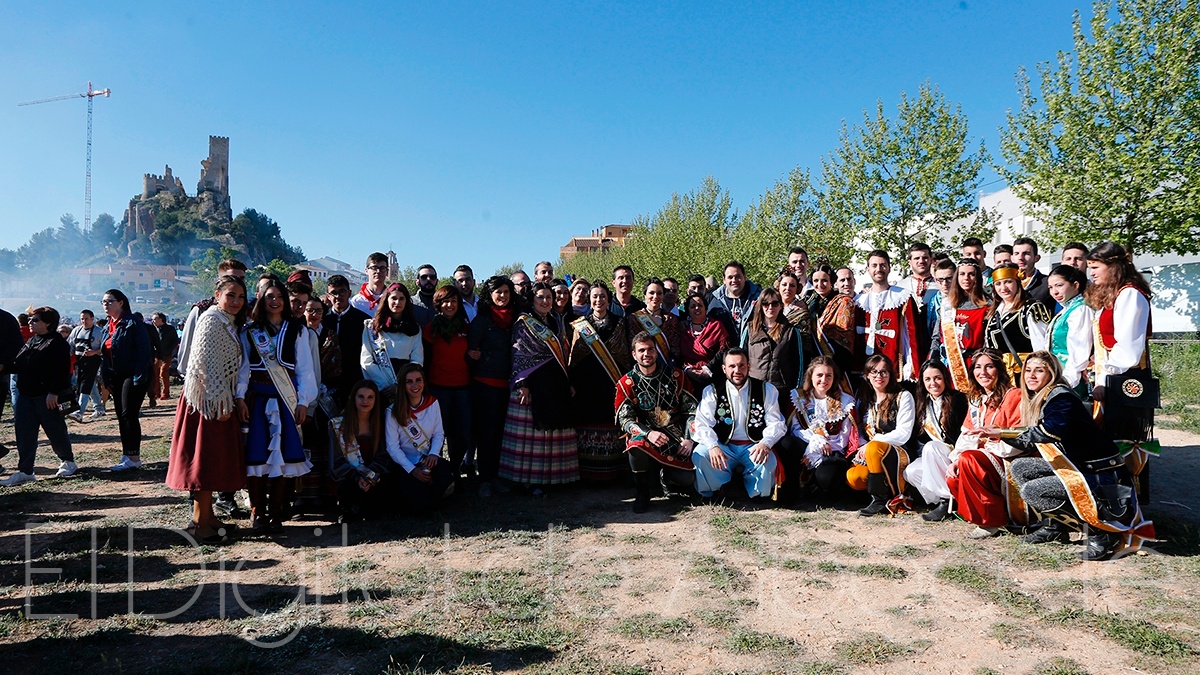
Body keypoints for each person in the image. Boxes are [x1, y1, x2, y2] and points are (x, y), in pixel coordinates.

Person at [1007, 352, 1154, 560]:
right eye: (1028, 370)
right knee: (1021, 467)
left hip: (1097, 472)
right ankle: (1055, 527)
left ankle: (1100, 532)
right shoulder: (1043, 396)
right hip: (1077, 465)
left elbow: (1050, 432)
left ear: (1052, 373)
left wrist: (1000, 432)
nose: (1031, 375)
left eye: (1039, 370)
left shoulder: (1061, 397)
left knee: (1033, 491)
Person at [164, 276, 248, 541]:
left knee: (212, 461)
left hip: (214, 402)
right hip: (207, 404)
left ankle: (208, 517)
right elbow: (202, 366)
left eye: (241, 297)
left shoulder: (227, 322)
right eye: (231, 295)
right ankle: (200, 523)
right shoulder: (212, 320)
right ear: (217, 294)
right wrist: (219, 402)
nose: (236, 302)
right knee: (204, 462)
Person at [237, 278, 318, 531]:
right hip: (257, 399)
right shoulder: (249, 331)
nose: (275, 301)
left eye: (279, 297)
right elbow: (242, 370)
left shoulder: (299, 330)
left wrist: (303, 401)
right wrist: (240, 397)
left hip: (286, 399)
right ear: (261, 299)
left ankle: (277, 513)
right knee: (257, 455)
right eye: (269, 296)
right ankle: (257, 512)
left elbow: (305, 370)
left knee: (284, 456)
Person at [499, 282, 579, 492]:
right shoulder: (524, 322)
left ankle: (554, 478)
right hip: (532, 384)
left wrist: (567, 382)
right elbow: (518, 354)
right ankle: (529, 479)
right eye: (541, 297)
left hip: (555, 382)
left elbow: (563, 353)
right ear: (532, 300)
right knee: (534, 436)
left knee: (553, 434)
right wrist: (523, 384)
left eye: (549, 298)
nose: (545, 301)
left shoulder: (555, 321)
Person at [1086, 241, 1155, 476]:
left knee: (1125, 440)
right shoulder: (1114, 296)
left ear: (1113, 267)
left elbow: (1128, 348)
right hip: (1114, 377)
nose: (1091, 273)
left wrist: (1105, 381)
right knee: (1110, 437)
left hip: (1127, 379)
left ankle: (1128, 503)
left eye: (1096, 267)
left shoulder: (1130, 295)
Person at [945, 349, 1028, 538]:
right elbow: (966, 435)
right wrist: (956, 460)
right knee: (954, 473)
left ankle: (991, 520)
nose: (983, 372)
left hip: (1008, 458)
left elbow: (1020, 437)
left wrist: (986, 447)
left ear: (999, 369)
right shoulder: (977, 401)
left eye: (989, 366)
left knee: (969, 460)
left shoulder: (1014, 396)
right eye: (978, 367)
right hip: (983, 458)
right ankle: (979, 515)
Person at [616, 332, 698, 512]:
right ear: (634, 354)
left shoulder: (676, 376)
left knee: (687, 478)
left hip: (675, 434)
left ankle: (667, 479)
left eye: (651, 349)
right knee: (636, 447)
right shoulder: (627, 383)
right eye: (642, 350)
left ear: (656, 351)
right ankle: (642, 492)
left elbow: (692, 410)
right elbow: (625, 419)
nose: (647, 354)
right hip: (647, 433)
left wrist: (688, 438)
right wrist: (648, 433)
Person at [691, 348, 786, 501]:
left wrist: (766, 443)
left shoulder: (766, 390)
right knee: (701, 454)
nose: (737, 370)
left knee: (769, 461)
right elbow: (702, 424)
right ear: (724, 369)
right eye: (732, 366)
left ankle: (756, 493)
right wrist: (712, 446)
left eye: (741, 366)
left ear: (749, 366)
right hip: (724, 446)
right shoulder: (712, 391)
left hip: (753, 446)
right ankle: (716, 489)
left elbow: (776, 423)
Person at [0, 307, 76, 486]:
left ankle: (68, 461)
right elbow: (20, 364)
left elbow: (61, 372)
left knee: (54, 429)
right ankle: (26, 471)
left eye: (35, 320)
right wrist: (4, 367)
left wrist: (54, 393)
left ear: (48, 323)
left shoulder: (57, 343)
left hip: (46, 396)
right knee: (24, 433)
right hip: (26, 394)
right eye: (30, 319)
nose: (30, 323)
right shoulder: (33, 340)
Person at [567, 281, 634, 483]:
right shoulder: (581, 324)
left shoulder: (620, 323)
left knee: (612, 422)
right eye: (595, 296)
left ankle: (614, 473)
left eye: (602, 296)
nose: (598, 300)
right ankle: (590, 474)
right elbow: (575, 356)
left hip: (612, 380)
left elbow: (624, 354)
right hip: (587, 383)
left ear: (608, 299)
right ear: (590, 299)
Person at [847, 355, 916, 515]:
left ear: (891, 374)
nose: (879, 376)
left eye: (884, 372)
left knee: (874, 447)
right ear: (867, 375)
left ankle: (880, 500)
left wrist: (873, 443)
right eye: (874, 372)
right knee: (854, 477)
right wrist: (863, 445)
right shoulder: (863, 399)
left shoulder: (903, 396)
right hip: (870, 452)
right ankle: (879, 488)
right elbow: (859, 430)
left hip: (897, 451)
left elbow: (903, 433)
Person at [467, 276, 517, 496]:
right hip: (485, 385)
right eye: (498, 292)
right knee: (487, 433)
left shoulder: (516, 318)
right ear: (490, 295)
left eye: (506, 292)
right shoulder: (482, 321)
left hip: (508, 385)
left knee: (502, 434)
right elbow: (470, 354)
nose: (503, 296)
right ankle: (485, 478)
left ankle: (498, 475)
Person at [784, 356, 858, 501]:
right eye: (819, 375)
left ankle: (819, 488)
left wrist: (824, 446)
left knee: (828, 479)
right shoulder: (798, 397)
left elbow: (845, 436)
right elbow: (794, 429)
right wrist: (815, 440)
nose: (824, 380)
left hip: (831, 449)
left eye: (828, 375)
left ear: (834, 377)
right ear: (811, 376)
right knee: (787, 444)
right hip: (805, 444)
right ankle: (792, 489)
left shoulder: (845, 401)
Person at [903, 360, 969, 521]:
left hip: (957, 453)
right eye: (928, 379)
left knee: (931, 447)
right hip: (936, 456)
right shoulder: (921, 403)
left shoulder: (959, 399)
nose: (933, 383)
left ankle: (946, 502)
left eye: (937, 378)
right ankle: (942, 500)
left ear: (945, 378)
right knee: (910, 472)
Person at [386, 363, 455, 513]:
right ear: (402, 385)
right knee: (419, 503)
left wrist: (433, 454)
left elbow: (438, 433)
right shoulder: (392, 411)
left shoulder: (433, 403)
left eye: (418, 380)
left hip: (427, 460)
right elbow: (392, 446)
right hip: (406, 464)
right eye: (409, 381)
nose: (415, 385)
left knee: (446, 475)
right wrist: (412, 470)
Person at [329, 379, 397, 522]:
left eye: (370, 397)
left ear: (376, 400)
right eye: (361, 396)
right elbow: (336, 461)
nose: (365, 401)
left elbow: (384, 456)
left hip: (374, 477)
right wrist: (357, 477)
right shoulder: (338, 425)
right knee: (348, 490)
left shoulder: (382, 424)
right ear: (353, 398)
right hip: (350, 478)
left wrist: (370, 477)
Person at [423, 285, 472, 481]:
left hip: (463, 388)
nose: (449, 304)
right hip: (437, 388)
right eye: (445, 301)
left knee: (460, 433)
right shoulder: (430, 329)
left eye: (453, 301)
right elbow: (424, 359)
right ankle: (438, 471)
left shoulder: (466, 328)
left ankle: (455, 469)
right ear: (438, 304)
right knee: (437, 434)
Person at [100, 289, 153, 472]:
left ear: (121, 302)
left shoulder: (133, 323)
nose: (106, 305)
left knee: (128, 414)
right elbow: (105, 354)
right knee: (122, 416)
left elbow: (144, 351)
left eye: (109, 301)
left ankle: (134, 457)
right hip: (116, 375)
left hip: (133, 374)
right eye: (103, 302)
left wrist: (139, 377)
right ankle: (127, 455)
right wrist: (106, 376)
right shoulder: (108, 325)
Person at [853, 250, 919, 381]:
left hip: (892, 367)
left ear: (889, 268)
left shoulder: (902, 297)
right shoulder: (859, 301)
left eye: (883, 265)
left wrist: (911, 365)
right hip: (863, 368)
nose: (879, 269)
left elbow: (912, 334)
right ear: (868, 269)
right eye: (874, 265)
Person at [931, 258, 990, 391]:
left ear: (978, 277)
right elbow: (936, 337)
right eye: (962, 274)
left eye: (971, 274)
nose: (966, 278)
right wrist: (933, 360)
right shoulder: (948, 304)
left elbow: (988, 341)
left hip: (976, 366)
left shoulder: (988, 305)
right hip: (949, 365)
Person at [984, 263, 1051, 380]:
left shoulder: (1031, 308)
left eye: (1008, 282)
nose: (1003, 288)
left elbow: (1041, 348)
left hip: (1026, 376)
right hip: (1002, 377)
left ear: (1017, 282)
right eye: (998, 284)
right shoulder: (993, 314)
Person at [361, 282, 424, 402]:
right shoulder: (372, 327)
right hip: (379, 389)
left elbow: (417, 361)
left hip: (404, 388)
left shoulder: (414, 329)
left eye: (401, 299)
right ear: (386, 300)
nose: (397, 302)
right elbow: (366, 361)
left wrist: (400, 386)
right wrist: (386, 385)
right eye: (394, 298)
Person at [742, 287, 802, 401]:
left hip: (781, 391)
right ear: (760, 305)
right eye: (766, 303)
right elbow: (741, 358)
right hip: (755, 388)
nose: (770, 307)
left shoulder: (792, 332)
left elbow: (798, 364)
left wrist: (796, 390)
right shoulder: (750, 329)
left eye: (775, 303)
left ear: (780, 306)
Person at [322, 274, 371, 407]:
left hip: (354, 381)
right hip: (325, 383)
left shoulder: (363, 321)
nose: (338, 296)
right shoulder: (322, 320)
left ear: (349, 293)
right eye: (334, 293)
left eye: (342, 291)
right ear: (328, 296)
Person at [1046, 264, 1093, 394]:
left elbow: (1079, 351)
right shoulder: (1067, 310)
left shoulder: (1080, 310)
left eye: (1059, 285)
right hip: (1058, 376)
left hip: (1072, 381)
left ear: (1075, 285)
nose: (1054, 292)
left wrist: (1066, 382)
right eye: (1050, 287)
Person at [679, 291, 730, 391]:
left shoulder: (716, 326)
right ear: (688, 310)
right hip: (688, 380)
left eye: (700, 305)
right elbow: (678, 354)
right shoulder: (683, 330)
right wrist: (688, 370)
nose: (697, 308)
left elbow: (724, 349)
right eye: (693, 306)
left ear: (706, 308)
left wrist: (708, 369)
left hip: (714, 378)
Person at [629, 277, 680, 366]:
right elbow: (633, 345)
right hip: (644, 366)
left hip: (667, 367)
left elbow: (675, 346)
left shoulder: (671, 319)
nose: (655, 296)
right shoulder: (635, 318)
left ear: (663, 295)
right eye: (651, 293)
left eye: (659, 293)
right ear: (645, 295)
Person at [67, 309, 106, 421]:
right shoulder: (76, 330)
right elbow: (70, 346)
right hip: (79, 361)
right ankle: (99, 409)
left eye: (86, 319)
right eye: (82, 319)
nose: (84, 321)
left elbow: (106, 348)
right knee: (89, 383)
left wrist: (94, 352)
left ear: (92, 319)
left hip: (93, 361)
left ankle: (79, 412)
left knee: (85, 384)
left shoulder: (100, 332)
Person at [708, 261, 762, 338]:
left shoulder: (759, 298)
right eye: (730, 277)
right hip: (726, 349)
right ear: (724, 280)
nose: (734, 280)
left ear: (744, 277)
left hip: (752, 347)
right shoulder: (715, 302)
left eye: (738, 276)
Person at [904, 243, 938, 363]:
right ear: (910, 262)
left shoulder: (941, 286)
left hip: (933, 340)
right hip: (908, 344)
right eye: (917, 258)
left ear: (931, 260)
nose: (921, 261)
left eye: (925, 257)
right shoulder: (900, 287)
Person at [775, 270, 814, 363]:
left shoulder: (802, 312)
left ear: (797, 289)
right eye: (784, 284)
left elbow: (805, 343)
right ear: (778, 287)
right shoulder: (770, 308)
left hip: (793, 360)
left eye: (792, 285)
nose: (788, 288)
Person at [1012, 237, 1054, 307]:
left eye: (1026, 253)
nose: (1020, 258)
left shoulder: (1047, 283)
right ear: (1012, 258)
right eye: (1016, 253)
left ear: (1037, 258)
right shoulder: (1005, 283)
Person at [149, 312, 179, 402]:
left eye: (155, 319)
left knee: (163, 373)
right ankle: (156, 393)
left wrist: (169, 350)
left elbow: (175, 341)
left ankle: (165, 393)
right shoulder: (153, 329)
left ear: (161, 319)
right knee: (155, 374)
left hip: (166, 355)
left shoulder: (170, 329)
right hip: (156, 355)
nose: (153, 321)